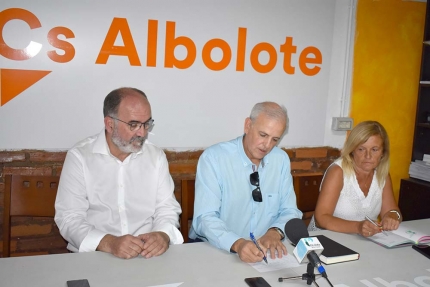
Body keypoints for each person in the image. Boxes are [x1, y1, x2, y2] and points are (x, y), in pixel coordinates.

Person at [55, 87, 183, 259]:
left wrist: (162, 235)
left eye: (147, 124)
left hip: (147, 256)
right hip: (96, 255)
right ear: (110, 124)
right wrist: (109, 243)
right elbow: (69, 218)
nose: (142, 133)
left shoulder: (156, 157)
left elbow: (167, 209)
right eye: (133, 125)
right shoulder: (80, 157)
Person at [189, 102, 303, 263]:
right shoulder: (214, 158)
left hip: (264, 252)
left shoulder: (281, 159)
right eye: (263, 135)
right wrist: (237, 243)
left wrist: (274, 232)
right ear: (248, 125)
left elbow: (290, 210)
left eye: (275, 139)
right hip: (217, 249)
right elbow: (205, 218)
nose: (267, 145)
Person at [308, 121, 402, 237]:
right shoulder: (338, 172)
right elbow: (321, 218)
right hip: (324, 239)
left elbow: (392, 211)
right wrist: (358, 227)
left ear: (383, 153)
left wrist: (392, 216)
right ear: (352, 150)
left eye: (374, 149)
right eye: (361, 149)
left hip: (363, 241)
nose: (368, 156)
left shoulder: (382, 175)